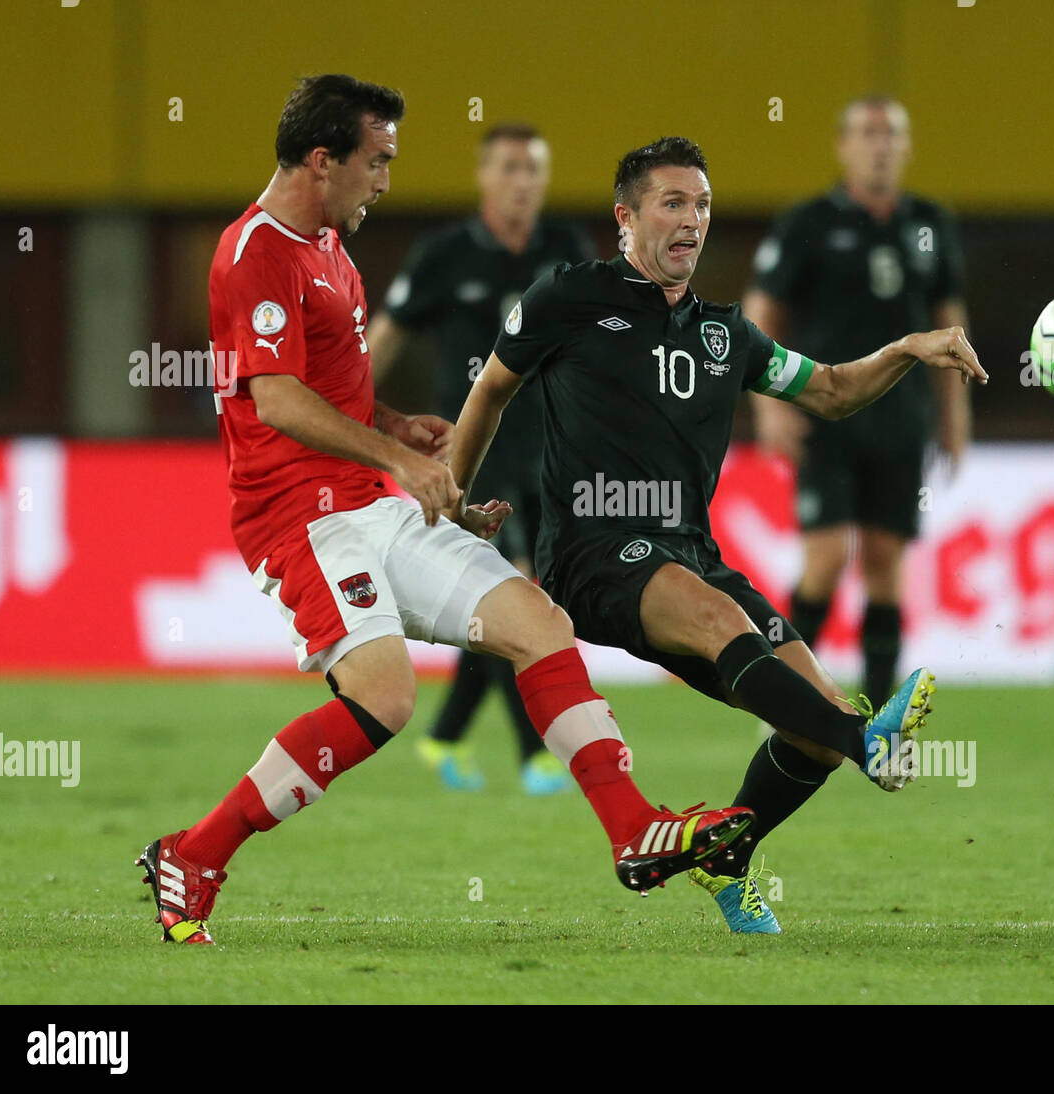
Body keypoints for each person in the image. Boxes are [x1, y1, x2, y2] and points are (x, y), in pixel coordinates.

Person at [134, 78, 754, 946]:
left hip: (367, 504)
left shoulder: (332, 254)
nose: (385, 180)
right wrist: (395, 458)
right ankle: (195, 855)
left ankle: (632, 828)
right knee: (384, 701)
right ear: (325, 160)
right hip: (297, 518)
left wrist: (399, 428)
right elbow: (273, 400)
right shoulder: (255, 253)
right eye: (377, 160)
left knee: (541, 623)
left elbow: (326, 389)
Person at [448, 136, 986, 934]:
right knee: (726, 628)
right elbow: (491, 388)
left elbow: (832, 391)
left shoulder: (724, 337)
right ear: (626, 218)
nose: (691, 220)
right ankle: (868, 742)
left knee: (815, 731)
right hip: (594, 553)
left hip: (689, 554)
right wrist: (456, 494)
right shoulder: (567, 297)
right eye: (672, 203)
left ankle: (732, 859)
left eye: (701, 205)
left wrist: (908, 350)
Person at [365, 123, 595, 796]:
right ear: (485, 177)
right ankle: (537, 753)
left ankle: (444, 737)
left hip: (549, 452)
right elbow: (385, 336)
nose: (523, 181)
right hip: (472, 451)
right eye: (511, 168)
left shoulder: (564, 250)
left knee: (504, 602)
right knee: (516, 590)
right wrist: (360, 418)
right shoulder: (446, 254)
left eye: (534, 169)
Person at [744, 97, 972, 704]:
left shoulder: (929, 223)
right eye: (867, 134)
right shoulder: (809, 222)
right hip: (826, 411)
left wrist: (955, 414)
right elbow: (761, 310)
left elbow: (948, 318)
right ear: (843, 147)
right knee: (824, 558)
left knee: (884, 562)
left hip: (901, 420)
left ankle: (875, 716)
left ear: (907, 147)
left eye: (890, 134)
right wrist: (769, 405)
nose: (879, 145)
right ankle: (788, 699)